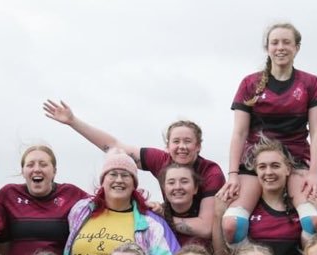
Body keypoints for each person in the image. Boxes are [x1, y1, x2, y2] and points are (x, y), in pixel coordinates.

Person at [42, 101, 227, 246]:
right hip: (170, 236)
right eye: (176, 141)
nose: (181, 147)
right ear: (167, 145)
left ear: (198, 146)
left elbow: (205, 228)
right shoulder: (161, 160)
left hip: (202, 244)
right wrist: (73, 121)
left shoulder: (211, 172)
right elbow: (114, 147)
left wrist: (163, 216)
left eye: (188, 141)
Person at [221, 22, 317, 244]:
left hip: (296, 159)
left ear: (297, 47)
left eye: (287, 42)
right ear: (267, 47)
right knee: (232, 224)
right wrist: (232, 174)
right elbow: (239, 132)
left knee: (313, 222)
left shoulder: (311, 83)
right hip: (254, 162)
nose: (281, 47)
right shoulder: (250, 83)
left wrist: (314, 173)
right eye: (275, 42)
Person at [218, 138, 317, 255]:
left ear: (288, 169)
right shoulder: (245, 209)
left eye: (275, 166)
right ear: (256, 170)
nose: (269, 172)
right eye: (262, 167)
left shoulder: (304, 207)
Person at [64, 150, 179, 255]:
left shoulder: (151, 223)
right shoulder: (81, 210)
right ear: (103, 181)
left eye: (125, 175)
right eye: (112, 174)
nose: (119, 180)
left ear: (134, 184)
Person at [0, 145, 92, 255]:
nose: (37, 169)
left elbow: (105, 203)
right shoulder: (8, 194)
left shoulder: (71, 194)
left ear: (54, 171)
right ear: (23, 171)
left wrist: (142, 204)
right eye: (30, 164)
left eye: (43, 164)